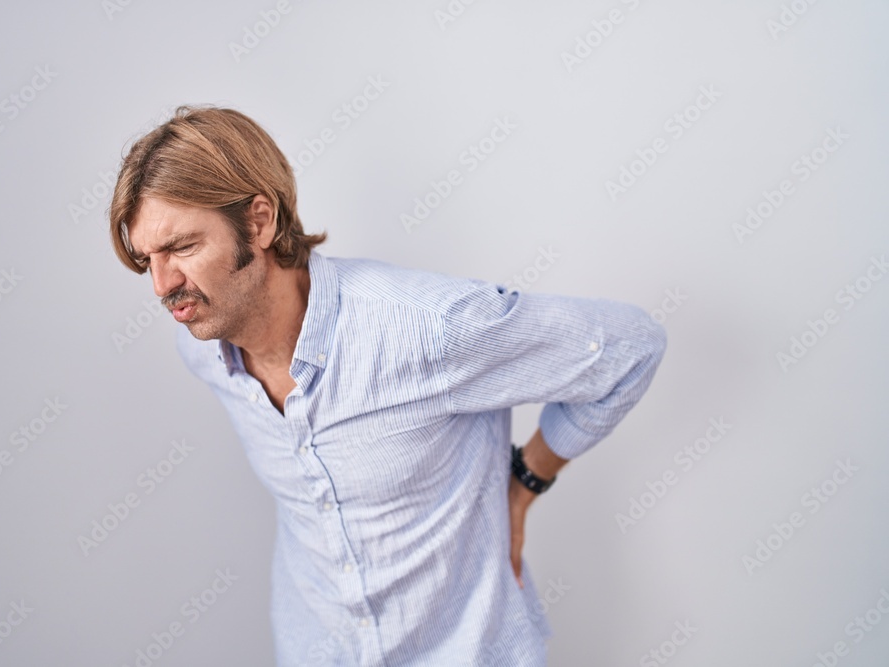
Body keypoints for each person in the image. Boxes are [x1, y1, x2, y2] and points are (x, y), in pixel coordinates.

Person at [108, 105, 667, 666]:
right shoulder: (202, 344)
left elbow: (630, 347)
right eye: (145, 258)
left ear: (259, 222)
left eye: (182, 248)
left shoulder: (430, 329)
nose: (163, 285)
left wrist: (526, 479)